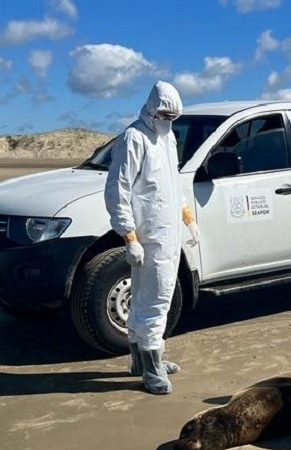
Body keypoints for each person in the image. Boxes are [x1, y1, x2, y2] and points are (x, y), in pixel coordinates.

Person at [104, 80, 199, 395]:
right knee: (155, 301)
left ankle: (140, 360)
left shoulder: (168, 138)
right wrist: (129, 235)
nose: (167, 120)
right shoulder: (134, 138)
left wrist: (187, 217)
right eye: (162, 114)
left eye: (172, 116)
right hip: (149, 235)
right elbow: (118, 190)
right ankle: (152, 368)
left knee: (154, 297)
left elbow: (173, 185)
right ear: (150, 108)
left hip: (169, 233)